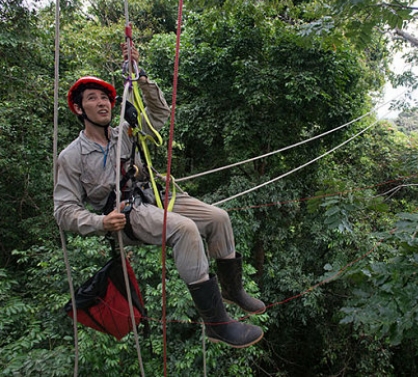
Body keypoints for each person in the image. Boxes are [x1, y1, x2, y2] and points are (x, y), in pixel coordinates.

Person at [54, 44, 265, 348]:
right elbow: (64, 211)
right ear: (78, 108)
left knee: (219, 218)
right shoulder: (71, 157)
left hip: (154, 194)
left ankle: (232, 290)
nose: (102, 103)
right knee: (185, 229)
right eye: (92, 99)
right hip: (127, 213)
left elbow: (159, 114)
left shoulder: (125, 133)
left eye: (105, 98)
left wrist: (140, 78)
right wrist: (101, 222)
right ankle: (216, 325)